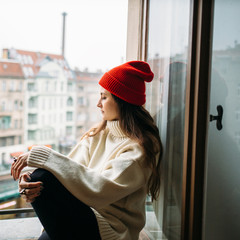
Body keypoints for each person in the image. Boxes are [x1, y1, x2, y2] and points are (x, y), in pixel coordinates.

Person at [11, 61, 163, 240]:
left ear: (123, 101)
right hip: (86, 217)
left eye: (104, 97)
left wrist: (44, 156)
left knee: (43, 178)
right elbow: (65, 173)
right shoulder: (98, 135)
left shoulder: (139, 150)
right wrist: (29, 186)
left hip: (111, 231)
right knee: (40, 178)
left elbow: (100, 190)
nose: (98, 104)